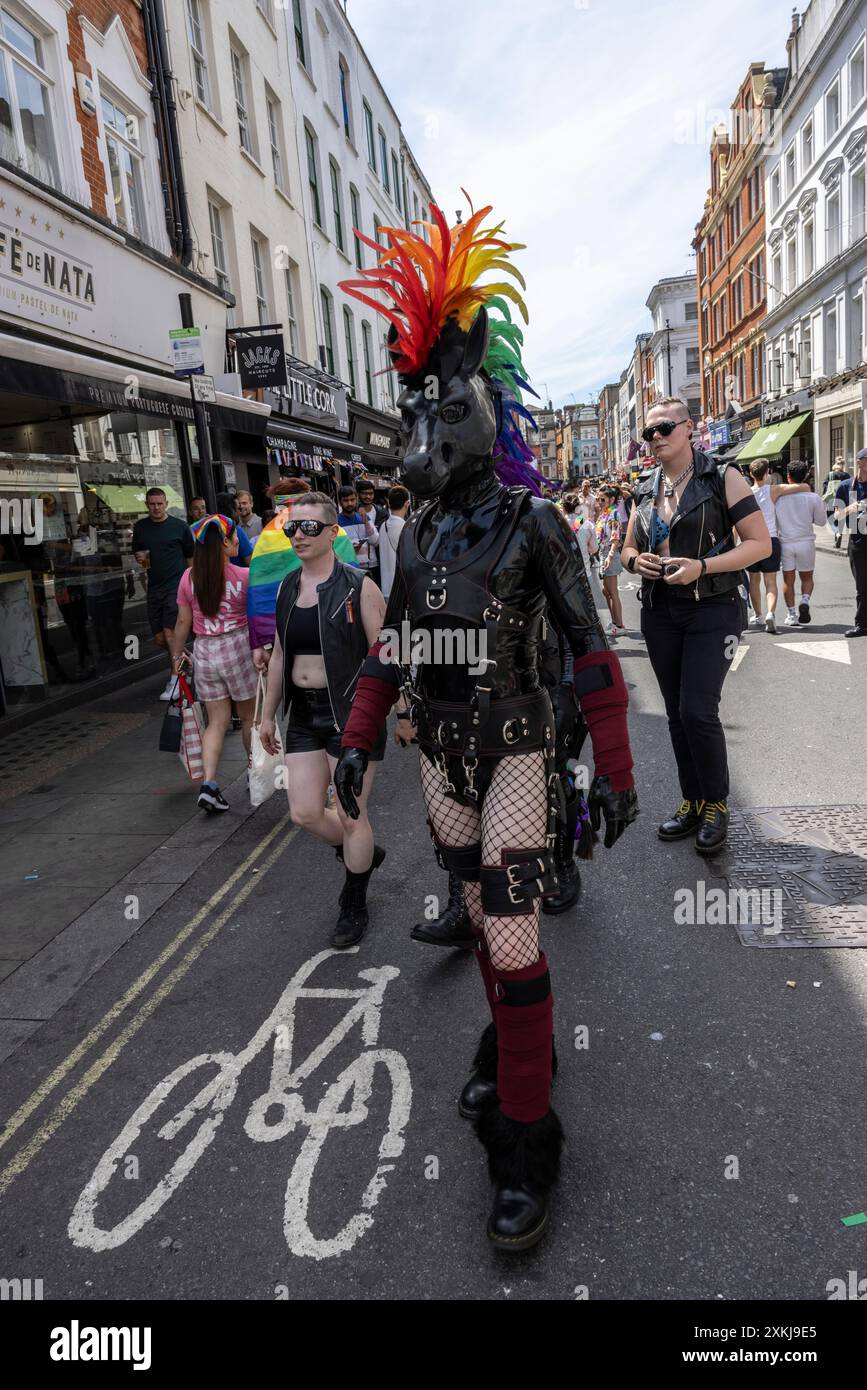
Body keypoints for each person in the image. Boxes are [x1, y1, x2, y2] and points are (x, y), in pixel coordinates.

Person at [335, 197, 637, 1250]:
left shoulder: (538, 521)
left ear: (481, 403)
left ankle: (526, 1141)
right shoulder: (412, 535)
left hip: (514, 749)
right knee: (477, 913)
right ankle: (521, 1050)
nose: (422, 430)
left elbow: (594, 650)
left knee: (512, 938)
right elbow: (392, 649)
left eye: (439, 402)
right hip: (443, 763)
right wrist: (362, 738)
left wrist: (614, 768)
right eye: (413, 405)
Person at [621, 395, 771, 854]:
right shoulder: (646, 487)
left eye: (665, 427)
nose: (657, 437)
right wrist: (637, 561)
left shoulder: (721, 476)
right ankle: (692, 800)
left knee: (696, 710)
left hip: (714, 604)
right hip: (661, 611)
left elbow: (760, 544)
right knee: (674, 713)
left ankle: (716, 805)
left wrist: (703, 566)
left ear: (690, 427)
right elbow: (624, 550)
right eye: (649, 431)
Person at [258, 492, 387, 948]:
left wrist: (405, 711)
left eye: (310, 527)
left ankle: (354, 902)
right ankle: (362, 854)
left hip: (351, 714)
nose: (298, 535)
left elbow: (385, 654)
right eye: (293, 527)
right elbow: (277, 657)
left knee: (353, 815)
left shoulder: (359, 587)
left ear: (333, 533)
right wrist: (267, 715)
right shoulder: (286, 587)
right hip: (304, 716)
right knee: (305, 813)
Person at [168, 514, 258, 811]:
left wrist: (177, 656)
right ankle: (253, 771)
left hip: (205, 651)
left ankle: (209, 783)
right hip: (239, 648)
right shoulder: (244, 576)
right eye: (232, 538)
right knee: (248, 718)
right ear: (223, 544)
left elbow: (183, 622)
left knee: (216, 722)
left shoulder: (188, 578)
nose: (236, 542)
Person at [246, 478, 358, 667]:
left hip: (289, 629)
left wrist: (262, 643)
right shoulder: (329, 525)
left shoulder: (269, 533)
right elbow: (353, 578)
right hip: (335, 621)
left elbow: (259, 592)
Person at [132, 487, 194, 699]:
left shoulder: (180, 527)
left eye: (160, 503)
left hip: (176, 586)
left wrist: (191, 585)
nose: (156, 508)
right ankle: (188, 660)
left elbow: (190, 558)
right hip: (154, 587)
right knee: (160, 639)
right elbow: (139, 554)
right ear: (146, 505)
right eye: (152, 504)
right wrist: (140, 559)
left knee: (170, 634)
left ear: (166, 503)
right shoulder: (140, 528)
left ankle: (176, 679)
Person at [746, 458, 809, 634]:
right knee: (771, 582)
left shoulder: (747, 492)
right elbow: (803, 487)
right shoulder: (773, 490)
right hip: (771, 540)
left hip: (751, 541)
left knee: (754, 581)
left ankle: (757, 615)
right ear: (767, 473)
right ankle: (770, 614)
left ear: (751, 474)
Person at [774, 462, 827, 626]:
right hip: (806, 541)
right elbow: (821, 521)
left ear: (788, 476)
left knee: (787, 581)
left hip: (786, 542)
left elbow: (774, 523)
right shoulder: (813, 498)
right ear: (805, 476)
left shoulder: (778, 498)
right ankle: (804, 600)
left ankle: (791, 615)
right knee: (807, 578)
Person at [834, 446, 867, 637]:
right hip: (858, 541)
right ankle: (862, 625)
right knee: (862, 586)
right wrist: (850, 509)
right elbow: (835, 517)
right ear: (859, 462)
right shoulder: (847, 486)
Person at [597, 485, 626, 637]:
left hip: (610, 554)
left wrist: (609, 556)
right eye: (598, 499)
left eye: (603, 499)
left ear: (612, 499)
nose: (600, 502)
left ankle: (619, 625)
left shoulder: (614, 514)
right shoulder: (604, 514)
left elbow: (615, 538)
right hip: (604, 553)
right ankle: (615, 622)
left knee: (612, 592)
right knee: (606, 591)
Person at [338, 484, 379, 581]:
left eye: (352, 500)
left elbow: (375, 541)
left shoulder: (364, 518)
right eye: (346, 500)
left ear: (356, 500)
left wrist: (366, 522)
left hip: (368, 568)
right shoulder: (336, 522)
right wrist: (349, 549)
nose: (349, 503)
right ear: (340, 502)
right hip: (347, 569)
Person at [378, 484, 410, 599]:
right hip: (401, 589)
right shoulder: (407, 528)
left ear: (389, 504)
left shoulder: (383, 526)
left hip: (385, 588)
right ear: (407, 504)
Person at [823, 456, 851, 548]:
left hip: (831, 499)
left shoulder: (830, 475)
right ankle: (839, 533)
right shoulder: (846, 475)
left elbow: (825, 487)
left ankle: (836, 533)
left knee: (831, 518)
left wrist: (824, 497)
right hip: (842, 500)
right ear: (843, 465)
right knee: (840, 518)